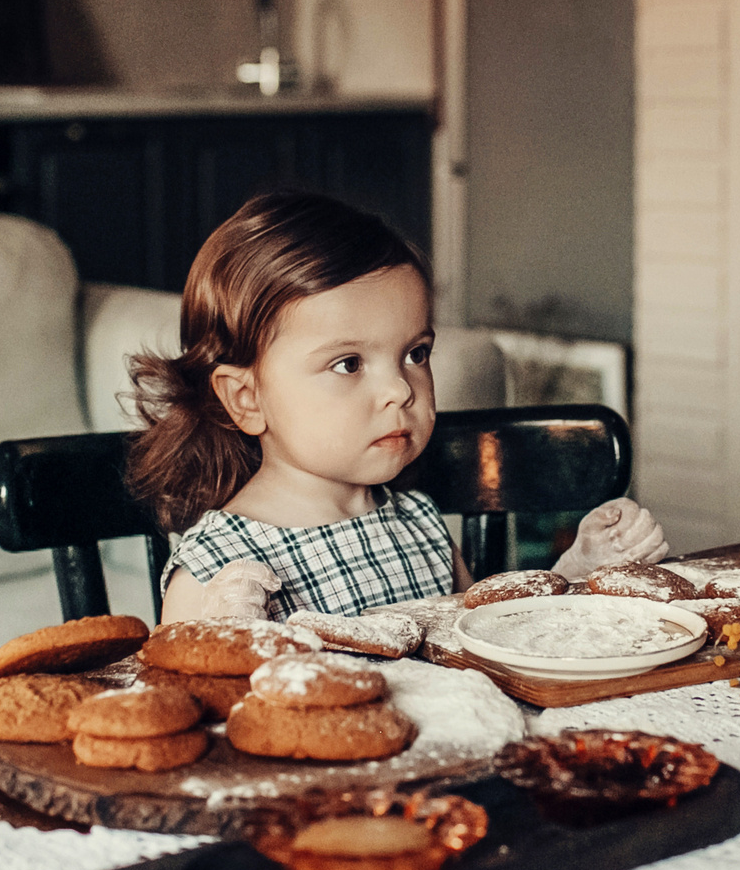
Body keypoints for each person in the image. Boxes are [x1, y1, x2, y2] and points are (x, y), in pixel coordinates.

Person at [124, 190, 665, 623]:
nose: (401, 390)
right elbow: (196, 726)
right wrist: (226, 646)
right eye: (349, 364)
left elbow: (479, 645)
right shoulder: (215, 570)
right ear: (246, 398)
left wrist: (577, 574)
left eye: (415, 354)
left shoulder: (418, 523)